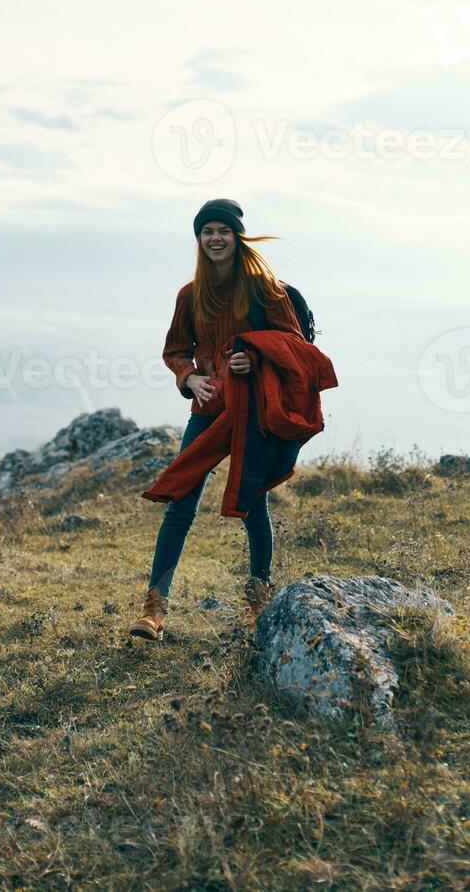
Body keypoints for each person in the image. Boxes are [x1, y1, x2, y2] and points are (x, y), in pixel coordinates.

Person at [128, 198, 305, 641]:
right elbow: (174, 350)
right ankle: (154, 609)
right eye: (206, 231)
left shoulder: (265, 289)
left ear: (237, 236)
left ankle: (259, 600)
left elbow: (295, 345)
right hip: (207, 409)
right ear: (199, 240)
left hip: (254, 412)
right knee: (180, 503)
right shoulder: (190, 295)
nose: (215, 238)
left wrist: (255, 361)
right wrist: (190, 379)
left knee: (253, 502)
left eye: (222, 231)